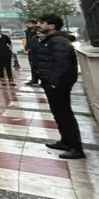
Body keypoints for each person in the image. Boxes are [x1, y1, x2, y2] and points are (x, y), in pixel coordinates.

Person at [36, 14, 84, 160]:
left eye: (42, 23)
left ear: (52, 26)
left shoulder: (58, 41)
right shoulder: (51, 40)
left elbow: (61, 64)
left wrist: (53, 82)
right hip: (53, 83)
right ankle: (65, 142)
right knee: (59, 113)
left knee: (64, 114)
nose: (39, 25)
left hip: (59, 84)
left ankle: (76, 148)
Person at [23, 18, 41, 86]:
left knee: (39, 65)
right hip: (31, 51)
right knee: (32, 65)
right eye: (27, 23)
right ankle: (34, 79)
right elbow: (28, 40)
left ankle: (42, 79)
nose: (27, 25)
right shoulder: (28, 31)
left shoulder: (39, 31)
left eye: (29, 23)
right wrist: (26, 48)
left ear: (35, 24)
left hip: (38, 50)